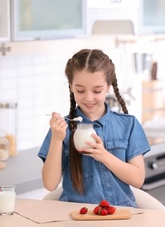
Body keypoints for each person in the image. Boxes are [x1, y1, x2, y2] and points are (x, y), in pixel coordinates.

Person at [38, 49, 150, 207]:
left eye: (97, 90)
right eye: (80, 90)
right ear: (71, 87)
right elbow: (50, 184)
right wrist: (57, 139)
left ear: (108, 87)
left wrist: (103, 155)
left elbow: (138, 180)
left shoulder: (128, 125)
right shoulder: (62, 130)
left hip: (121, 216)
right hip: (76, 216)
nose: (89, 98)